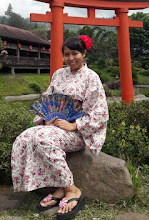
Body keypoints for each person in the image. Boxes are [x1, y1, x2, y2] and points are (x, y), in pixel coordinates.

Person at [11, 35, 109, 220]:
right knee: (24, 137)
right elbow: (48, 100)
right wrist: (45, 119)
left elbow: (100, 113)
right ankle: (58, 189)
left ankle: (72, 190)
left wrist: (74, 125)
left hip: (78, 133)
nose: (71, 58)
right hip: (54, 128)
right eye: (66, 54)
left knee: (42, 139)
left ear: (84, 53)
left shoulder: (91, 78)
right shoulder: (58, 74)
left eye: (75, 53)